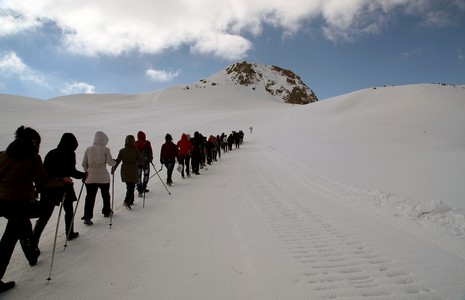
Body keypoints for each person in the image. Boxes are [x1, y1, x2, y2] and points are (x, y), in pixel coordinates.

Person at [0, 126, 71, 293]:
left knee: (22, 227)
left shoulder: (4, 154)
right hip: (18, 202)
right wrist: (63, 181)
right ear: (33, 141)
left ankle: (32, 255)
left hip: (2, 201)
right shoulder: (32, 157)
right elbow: (44, 180)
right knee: (9, 239)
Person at [33, 133, 86, 248]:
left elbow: (44, 172)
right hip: (64, 186)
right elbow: (72, 172)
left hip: (49, 188)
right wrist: (83, 175)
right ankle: (69, 233)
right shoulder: (70, 154)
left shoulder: (52, 153)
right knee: (68, 211)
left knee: (44, 216)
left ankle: (33, 241)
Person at [81, 131, 116, 225]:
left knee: (90, 197)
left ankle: (87, 217)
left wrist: (88, 171)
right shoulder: (106, 149)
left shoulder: (88, 149)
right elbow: (110, 163)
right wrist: (114, 162)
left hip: (90, 177)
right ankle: (106, 211)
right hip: (103, 177)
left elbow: (84, 164)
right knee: (105, 195)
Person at [112, 135, 145, 209]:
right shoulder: (136, 150)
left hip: (125, 170)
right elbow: (140, 160)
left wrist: (113, 169)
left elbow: (117, 160)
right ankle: (126, 201)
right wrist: (144, 158)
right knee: (131, 186)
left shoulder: (122, 150)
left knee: (129, 186)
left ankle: (130, 201)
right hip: (133, 169)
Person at [135, 131, 153, 197]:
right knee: (146, 175)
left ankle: (139, 189)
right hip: (145, 162)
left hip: (137, 163)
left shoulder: (135, 143)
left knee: (138, 176)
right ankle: (144, 187)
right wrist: (150, 159)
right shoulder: (147, 143)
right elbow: (150, 151)